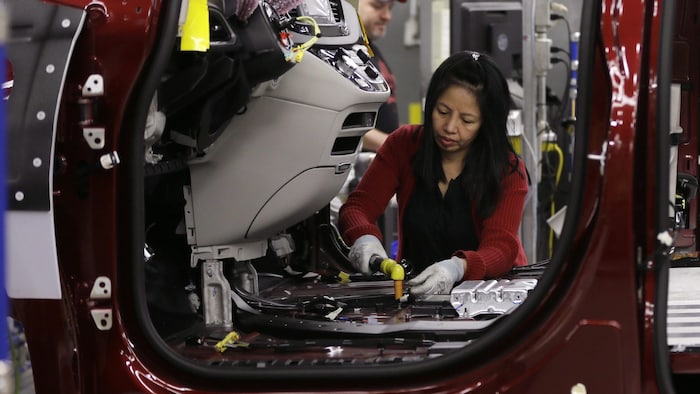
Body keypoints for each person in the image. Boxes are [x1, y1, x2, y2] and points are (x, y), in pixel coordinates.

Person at [338, 51, 529, 295]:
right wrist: (364, 236)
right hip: (417, 296)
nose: (450, 128)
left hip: (488, 300)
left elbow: (501, 248)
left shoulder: (508, 170)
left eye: (467, 120)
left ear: (486, 124)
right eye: (443, 111)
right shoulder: (404, 145)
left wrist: (458, 267)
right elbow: (358, 208)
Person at [356, 0, 404, 151]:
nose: (387, 16)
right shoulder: (343, 53)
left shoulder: (371, 50)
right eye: (377, 6)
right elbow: (340, 123)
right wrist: (396, 146)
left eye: (390, 8)